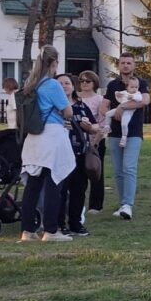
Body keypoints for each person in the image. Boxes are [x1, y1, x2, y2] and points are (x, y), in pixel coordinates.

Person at [18, 46, 75, 242]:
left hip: (34, 137)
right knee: (53, 184)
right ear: (54, 62)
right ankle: (51, 230)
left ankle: (27, 230)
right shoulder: (52, 84)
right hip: (51, 135)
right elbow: (68, 112)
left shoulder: (30, 83)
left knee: (33, 186)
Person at [105, 52, 150, 220]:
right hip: (115, 132)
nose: (125, 65)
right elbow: (104, 105)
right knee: (118, 171)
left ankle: (128, 205)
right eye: (123, 62)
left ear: (134, 65)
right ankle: (123, 203)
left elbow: (144, 101)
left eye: (129, 63)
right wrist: (106, 113)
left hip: (134, 132)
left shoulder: (141, 83)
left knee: (129, 167)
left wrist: (122, 107)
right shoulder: (112, 85)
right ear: (119, 65)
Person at [55, 73, 97, 236]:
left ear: (73, 86)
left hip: (80, 153)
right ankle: (59, 224)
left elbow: (95, 127)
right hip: (60, 153)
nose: (64, 86)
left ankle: (75, 223)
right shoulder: (53, 106)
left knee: (79, 189)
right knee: (61, 190)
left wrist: (89, 127)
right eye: (60, 83)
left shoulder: (81, 106)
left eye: (67, 83)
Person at [76, 71, 109, 214]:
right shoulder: (75, 98)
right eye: (82, 80)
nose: (84, 83)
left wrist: (95, 142)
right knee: (78, 175)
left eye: (87, 81)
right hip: (77, 142)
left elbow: (102, 123)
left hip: (95, 141)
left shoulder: (100, 99)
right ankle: (77, 204)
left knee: (95, 171)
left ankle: (95, 205)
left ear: (94, 83)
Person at [107, 76, 143, 148]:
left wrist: (133, 97)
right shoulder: (124, 92)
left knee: (124, 124)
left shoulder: (137, 93)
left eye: (136, 87)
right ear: (127, 87)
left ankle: (124, 137)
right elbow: (118, 97)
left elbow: (140, 98)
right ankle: (107, 126)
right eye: (132, 87)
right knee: (107, 114)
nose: (134, 89)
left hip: (128, 113)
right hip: (119, 110)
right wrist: (118, 95)